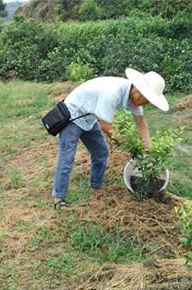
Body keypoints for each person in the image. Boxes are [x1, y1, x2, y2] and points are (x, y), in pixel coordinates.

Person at [52, 68, 169, 209]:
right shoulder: (114, 91)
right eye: (147, 100)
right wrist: (129, 145)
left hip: (89, 117)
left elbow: (141, 124)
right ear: (138, 90)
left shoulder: (133, 96)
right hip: (73, 115)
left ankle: (96, 186)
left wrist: (148, 148)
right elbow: (106, 126)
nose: (146, 104)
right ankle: (59, 198)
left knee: (101, 152)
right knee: (67, 157)